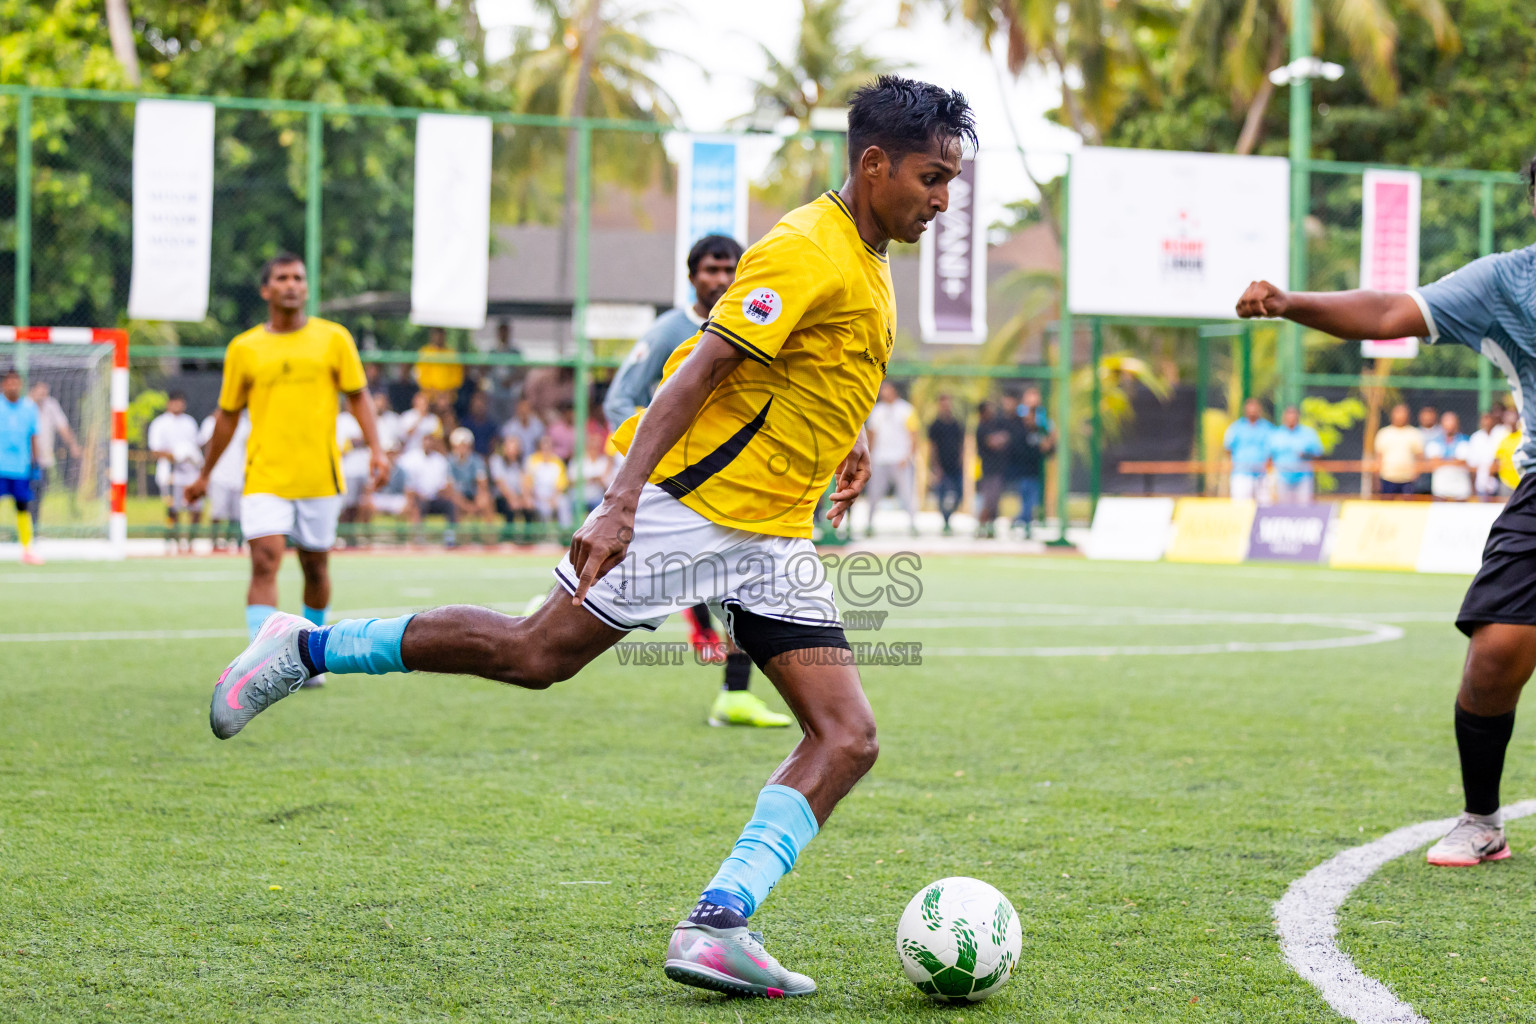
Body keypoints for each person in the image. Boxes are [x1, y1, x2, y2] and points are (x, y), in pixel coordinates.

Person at [204, 75, 972, 999]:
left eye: (951, 183)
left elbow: (814, 365)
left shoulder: (867, 252)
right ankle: (305, 643)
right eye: (932, 177)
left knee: (847, 736)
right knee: (535, 654)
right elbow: (701, 371)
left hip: (771, 533)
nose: (941, 199)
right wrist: (619, 501)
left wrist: (841, 441)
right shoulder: (807, 246)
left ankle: (719, 923)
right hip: (694, 507)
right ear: (874, 162)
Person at [1236, 153, 1536, 867]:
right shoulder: (1507, 282)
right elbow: (1388, 310)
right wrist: (1290, 303)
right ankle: (1482, 817)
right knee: (1495, 654)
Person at [188, 252, 388, 690]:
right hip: (264, 476)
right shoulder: (244, 348)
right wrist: (205, 474)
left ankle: (310, 657)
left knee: (316, 568)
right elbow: (226, 416)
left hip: (320, 477)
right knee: (264, 560)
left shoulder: (334, 339)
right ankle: (260, 664)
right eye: (282, 278)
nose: (292, 284)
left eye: (298, 277)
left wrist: (377, 449)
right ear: (266, 290)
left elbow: (358, 396)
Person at [601, 234, 772, 719]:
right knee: (617, 588)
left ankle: (735, 693)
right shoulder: (667, 331)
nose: (720, 280)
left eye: (728, 270)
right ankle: (544, 621)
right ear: (692, 275)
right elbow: (621, 398)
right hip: (671, 486)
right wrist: (648, 460)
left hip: (733, 483)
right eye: (711, 270)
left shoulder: (754, 322)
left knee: (748, 587)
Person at [146, 391, 204, 551]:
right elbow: (155, 450)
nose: (178, 405)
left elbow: (196, 445)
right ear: (169, 403)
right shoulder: (160, 423)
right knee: (173, 509)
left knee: (196, 508)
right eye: (175, 402)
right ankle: (175, 543)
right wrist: (175, 455)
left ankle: (191, 543)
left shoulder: (189, 422)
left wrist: (190, 456)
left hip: (191, 473)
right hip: (171, 473)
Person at [862, 381, 919, 537]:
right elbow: (871, 436)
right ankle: (869, 524)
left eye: (886, 389)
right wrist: (869, 457)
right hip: (880, 459)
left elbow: (914, 435)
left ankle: (913, 525)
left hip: (900, 460)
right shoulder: (877, 411)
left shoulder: (906, 410)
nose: (882, 393)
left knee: (907, 494)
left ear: (894, 390)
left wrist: (908, 456)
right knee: (874, 494)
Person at [0, 369, 43, 564]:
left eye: (16, 381)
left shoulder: (29, 408)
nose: (13, 385)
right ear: (3, 385)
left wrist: (36, 462)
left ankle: (27, 550)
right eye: (9, 382)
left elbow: (34, 436)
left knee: (22, 509)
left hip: (20, 469)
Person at [27, 380, 81, 524]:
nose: (44, 393)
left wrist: (73, 445)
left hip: (41, 460)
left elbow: (63, 427)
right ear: (33, 389)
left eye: (46, 390)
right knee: (21, 497)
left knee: (37, 495)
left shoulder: (50, 405)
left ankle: (33, 528)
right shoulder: (24, 405)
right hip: (21, 460)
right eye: (41, 390)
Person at [199, 408, 250, 551]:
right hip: (218, 475)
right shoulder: (211, 422)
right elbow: (204, 444)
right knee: (217, 512)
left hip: (238, 475)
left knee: (237, 514)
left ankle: (233, 544)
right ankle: (215, 544)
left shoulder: (245, 424)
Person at [400, 431, 459, 546]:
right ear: (422, 442)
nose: (428, 443)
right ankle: (417, 540)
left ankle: (450, 539)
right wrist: (420, 495)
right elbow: (409, 485)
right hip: (419, 498)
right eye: (426, 440)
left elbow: (446, 484)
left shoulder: (440, 460)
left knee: (451, 505)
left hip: (435, 498)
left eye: (431, 440)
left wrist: (440, 492)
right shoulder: (412, 459)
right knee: (416, 505)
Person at [1267, 405, 1323, 505]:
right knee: (1284, 508)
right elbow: (1268, 457)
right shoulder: (1276, 435)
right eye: (1289, 415)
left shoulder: (1308, 434)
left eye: (1293, 415)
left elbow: (1318, 454)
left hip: (1303, 478)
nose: (1291, 418)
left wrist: (1306, 455)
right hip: (1282, 477)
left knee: (1304, 508)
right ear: (1284, 417)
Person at [336, 406, 374, 545]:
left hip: (363, 468)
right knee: (346, 506)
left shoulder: (364, 416)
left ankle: (353, 537)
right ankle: (342, 536)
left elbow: (370, 439)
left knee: (360, 506)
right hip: (348, 470)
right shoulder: (342, 419)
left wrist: (361, 440)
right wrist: (356, 441)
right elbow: (341, 445)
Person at [926, 394, 963, 535]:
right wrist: (936, 466)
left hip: (955, 466)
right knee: (941, 496)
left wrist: (961, 461)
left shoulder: (956, 424)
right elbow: (932, 447)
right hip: (942, 466)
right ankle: (945, 521)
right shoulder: (935, 425)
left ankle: (950, 516)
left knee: (958, 494)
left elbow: (961, 445)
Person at [1012, 405, 1052, 536]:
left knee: (1032, 502)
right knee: (1026, 501)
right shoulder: (1021, 431)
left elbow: (1049, 451)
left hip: (1036, 473)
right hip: (1024, 472)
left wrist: (1049, 444)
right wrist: (1038, 449)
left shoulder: (1041, 431)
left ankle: (1023, 523)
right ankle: (1021, 521)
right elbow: (1020, 451)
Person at [1223, 398, 1272, 501]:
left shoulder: (1267, 427)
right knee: (1240, 506)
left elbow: (1272, 450)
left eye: (1255, 408)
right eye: (1250, 408)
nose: (1253, 411)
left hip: (1261, 475)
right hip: (1241, 473)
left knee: (1264, 505)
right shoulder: (1236, 427)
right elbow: (1228, 448)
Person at [446, 426, 494, 531]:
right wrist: (467, 506)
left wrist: (477, 501)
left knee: (486, 499)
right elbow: (450, 489)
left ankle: (490, 538)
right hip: (458, 496)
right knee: (452, 502)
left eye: (465, 445)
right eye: (460, 445)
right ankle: (458, 539)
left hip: (473, 494)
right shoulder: (449, 461)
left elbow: (482, 484)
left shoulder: (477, 460)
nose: (463, 448)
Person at [1373, 403, 1424, 498]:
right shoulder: (1384, 433)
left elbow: (1419, 457)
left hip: (1408, 479)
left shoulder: (1414, 433)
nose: (1400, 416)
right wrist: (1376, 480)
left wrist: (1416, 474)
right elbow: (1378, 458)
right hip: (1388, 478)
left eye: (1403, 413)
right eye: (1398, 413)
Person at [974, 399, 1008, 537]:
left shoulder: (994, 425)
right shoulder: (981, 428)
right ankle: (982, 527)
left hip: (997, 469)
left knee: (994, 502)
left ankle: (990, 527)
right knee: (988, 501)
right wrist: (1000, 439)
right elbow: (993, 442)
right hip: (987, 470)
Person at [524, 433, 573, 531]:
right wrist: (532, 496)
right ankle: (546, 534)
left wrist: (553, 498)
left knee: (564, 503)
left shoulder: (557, 462)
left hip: (553, 495)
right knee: (544, 509)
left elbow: (561, 484)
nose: (546, 450)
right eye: (544, 446)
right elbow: (528, 482)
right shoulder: (532, 460)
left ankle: (566, 533)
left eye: (548, 447)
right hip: (537, 496)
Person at [489, 434, 534, 534]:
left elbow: (525, 482)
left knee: (529, 505)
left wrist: (526, 497)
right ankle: (508, 536)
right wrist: (512, 498)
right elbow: (500, 484)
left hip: (517, 496)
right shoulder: (496, 460)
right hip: (501, 497)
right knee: (511, 506)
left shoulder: (521, 462)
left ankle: (528, 536)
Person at [1425, 410, 1472, 501]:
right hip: (1440, 490)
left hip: (1460, 490)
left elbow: (1462, 461)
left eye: (1452, 421)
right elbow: (1434, 462)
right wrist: (1453, 461)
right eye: (1446, 421)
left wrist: (1442, 461)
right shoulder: (1434, 442)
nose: (1449, 425)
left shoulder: (1465, 441)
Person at [414, 328, 463, 411]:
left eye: (441, 334)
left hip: (449, 398)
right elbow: (421, 377)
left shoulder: (452, 353)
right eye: (436, 334)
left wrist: (445, 395)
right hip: (430, 398)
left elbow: (457, 378)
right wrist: (435, 395)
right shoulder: (424, 352)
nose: (438, 337)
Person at [1466, 411, 1502, 501]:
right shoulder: (1476, 437)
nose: (1487, 422)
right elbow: (1472, 465)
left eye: (1489, 418)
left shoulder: (1500, 434)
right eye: (1484, 419)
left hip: (1499, 483)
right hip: (1481, 483)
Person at [1415, 404, 1440, 495]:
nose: (1427, 418)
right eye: (1425, 416)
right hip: (1420, 477)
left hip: (1436, 474)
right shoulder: (1415, 433)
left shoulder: (1441, 433)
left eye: (1430, 415)